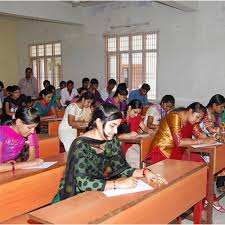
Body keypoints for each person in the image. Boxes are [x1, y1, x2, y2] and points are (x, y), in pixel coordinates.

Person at [52, 103, 167, 203]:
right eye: (112, 126)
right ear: (98, 122)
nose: (116, 131)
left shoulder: (112, 141)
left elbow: (121, 169)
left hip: (103, 191)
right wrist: (117, 184)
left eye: (117, 126)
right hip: (75, 195)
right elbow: (83, 183)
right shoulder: (81, 145)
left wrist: (145, 171)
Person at [144, 102, 225, 214]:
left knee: (202, 166)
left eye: (199, 119)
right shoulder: (175, 117)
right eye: (197, 117)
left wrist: (213, 139)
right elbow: (180, 141)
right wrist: (202, 140)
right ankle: (192, 203)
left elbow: (200, 134)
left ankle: (206, 199)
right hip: (163, 152)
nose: (197, 120)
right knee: (193, 170)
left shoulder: (192, 120)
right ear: (190, 111)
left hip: (179, 152)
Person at [0, 107, 43, 172]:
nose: (32, 131)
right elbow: (29, 163)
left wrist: (14, 164)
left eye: (34, 128)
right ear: (18, 122)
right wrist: (24, 164)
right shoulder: (2, 132)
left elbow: (32, 160)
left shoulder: (30, 132)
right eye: (29, 127)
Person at [199, 94, 225, 193]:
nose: (222, 109)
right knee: (220, 157)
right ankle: (208, 191)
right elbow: (209, 130)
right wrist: (219, 131)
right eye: (221, 107)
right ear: (214, 105)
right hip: (202, 145)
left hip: (211, 142)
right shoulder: (204, 113)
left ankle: (220, 183)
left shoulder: (215, 114)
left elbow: (218, 129)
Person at [118, 99, 154, 168]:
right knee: (138, 161)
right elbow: (115, 136)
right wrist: (128, 135)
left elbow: (144, 128)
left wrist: (149, 131)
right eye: (135, 112)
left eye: (138, 113)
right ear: (129, 107)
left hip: (133, 143)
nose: (136, 115)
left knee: (145, 158)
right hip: (123, 145)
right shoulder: (121, 117)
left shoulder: (137, 117)